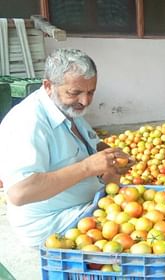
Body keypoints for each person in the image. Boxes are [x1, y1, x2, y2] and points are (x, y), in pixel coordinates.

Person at [0, 48, 134, 246]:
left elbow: (92, 144)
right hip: (54, 223)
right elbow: (20, 192)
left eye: (91, 92)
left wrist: (113, 156)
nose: (85, 101)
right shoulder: (28, 123)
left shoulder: (65, 109)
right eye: (75, 93)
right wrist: (87, 167)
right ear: (48, 86)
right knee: (136, 233)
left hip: (87, 206)